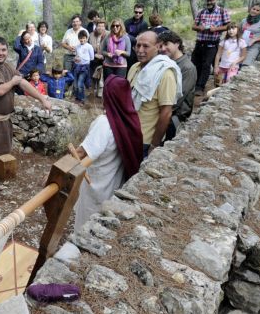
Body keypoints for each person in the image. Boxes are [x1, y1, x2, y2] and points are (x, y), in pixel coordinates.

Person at [0, 37, 52, 211]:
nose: (1, 53)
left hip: (2, 119)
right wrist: (14, 81)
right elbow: (0, 90)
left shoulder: (7, 66)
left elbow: (23, 82)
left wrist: (42, 99)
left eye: (3, 50)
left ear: (7, 51)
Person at [72, 76, 142, 233]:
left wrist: (57, 171)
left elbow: (82, 153)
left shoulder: (104, 123)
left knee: (86, 228)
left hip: (96, 185)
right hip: (114, 185)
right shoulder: (130, 119)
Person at [128, 31, 182, 158]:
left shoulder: (165, 74)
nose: (140, 50)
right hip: (127, 133)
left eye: (145, 46)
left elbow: (166, 112)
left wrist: (154, 144)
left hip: (144, 141)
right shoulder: (135, 67)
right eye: (138, 45)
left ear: (158, 46)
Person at [158, 31, 197, 141]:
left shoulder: (187, 68)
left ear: (177, 44)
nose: (163, 48)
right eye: (160, 46)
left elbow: (180, 97)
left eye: (166, 44)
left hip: (176, 116)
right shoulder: (166, 63)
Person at [191, 0, 231, 95]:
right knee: (195, 64)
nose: (209, 2)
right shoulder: (201, 12)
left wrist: (216, 29)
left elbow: (228, 26)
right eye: (208, 0)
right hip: (200, 42)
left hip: (212, 43)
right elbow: (194, 26)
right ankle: (193, 84)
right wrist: (199, 28)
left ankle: (200, 87)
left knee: (206, 65)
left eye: (211, 0)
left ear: (215, 0)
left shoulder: (222, 12)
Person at [240, 3, 260, 68]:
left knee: (245, 65)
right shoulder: (244, 20)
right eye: (253, 9)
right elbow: (239, 32)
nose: (254, 11)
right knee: (237, 64)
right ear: (251, 8)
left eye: (257, 10)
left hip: (253, 47)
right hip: (242, 46)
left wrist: (255, 39)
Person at [124, 3, 149, 69]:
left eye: (140, 12)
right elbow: (123, 35)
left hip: (139, 50)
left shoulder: (144, 24)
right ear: (134, 11)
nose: (138, 14)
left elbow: (141, 39)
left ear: (143, 13)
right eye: (136, 12)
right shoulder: (127, 22)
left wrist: (129, 36)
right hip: (127, 50)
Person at [73, 30, 94, 104]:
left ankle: (82, 98)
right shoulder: (77, 47)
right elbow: (76, 56)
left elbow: (92, 58)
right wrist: (75, 59)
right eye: (80, 38)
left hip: (84, 67)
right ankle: (77, 97)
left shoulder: (89, 46)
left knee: (80, 83)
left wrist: (84, 61)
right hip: (77, 66)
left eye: (84, 38)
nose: (82, 39)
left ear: (87, 38)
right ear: (78, 39)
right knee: (75, 84)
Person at [89, 20, 109, 97]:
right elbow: (88, 46)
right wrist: (94, 55)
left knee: (102, 75)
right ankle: (92, 91)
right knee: (93, 75)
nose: (100, 28)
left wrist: (103, 55)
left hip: (105, 58)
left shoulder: (109, 34)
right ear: (96, 26)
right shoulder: (91, 35)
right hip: (93, 57)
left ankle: (100, 91)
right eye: (99, 26)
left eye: (102, 26)